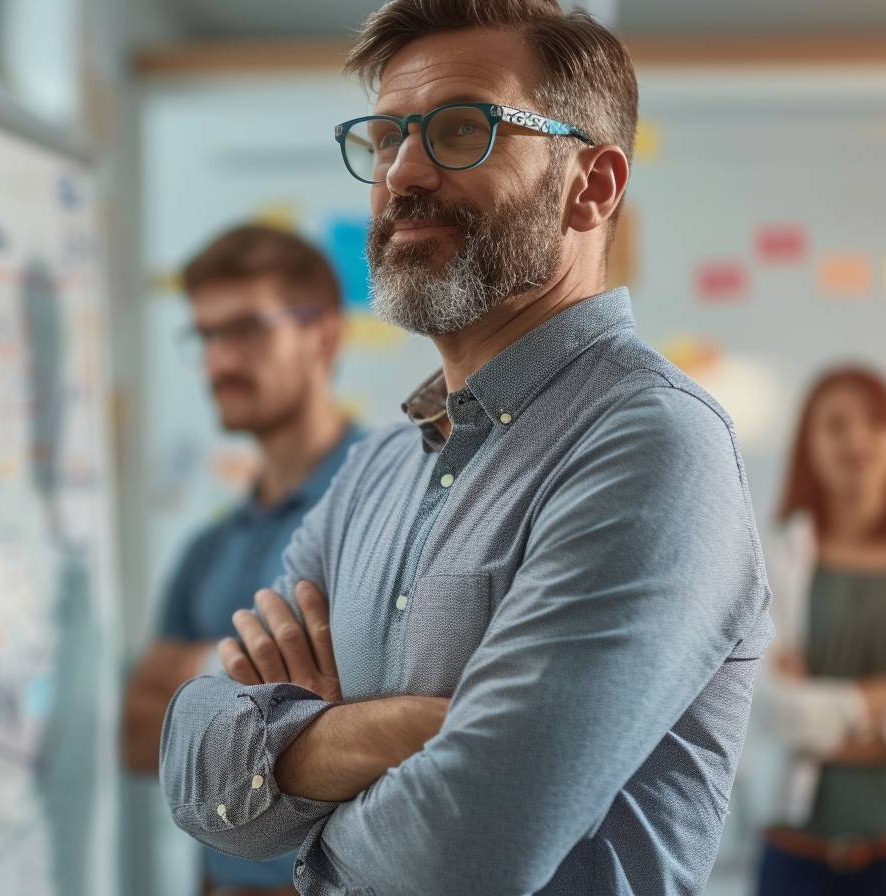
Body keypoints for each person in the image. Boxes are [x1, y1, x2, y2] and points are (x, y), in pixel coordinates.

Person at [158, 1, 775, 893]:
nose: (403, 173)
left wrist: (298, 804)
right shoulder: (377, 468)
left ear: (592, 185)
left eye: (460, 130)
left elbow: (470, 850)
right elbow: (194, 763)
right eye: (384, 138)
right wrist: (404, 728)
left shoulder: (652, 444)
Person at [121, 224, 364, 896]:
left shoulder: (392, 498)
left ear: (324, 336)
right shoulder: (211, 547)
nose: (219, 362)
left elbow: (400, 724)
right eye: (205, 336)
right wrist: (278, 690)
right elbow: (143, 737)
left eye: (247, 330)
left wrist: (197, 681)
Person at [756, 367, 886, 896]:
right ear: (808, 446)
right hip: (793, 855)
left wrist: (822, 717)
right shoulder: (771, 564)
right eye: (836, 425)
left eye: (876, 422)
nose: (857, 438)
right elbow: (773, 707)